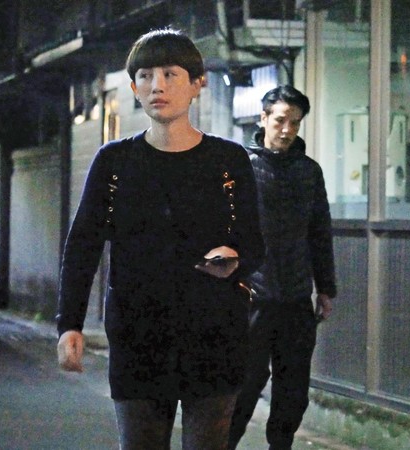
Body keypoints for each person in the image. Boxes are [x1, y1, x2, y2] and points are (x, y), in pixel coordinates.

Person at [56, 28, 264, 450]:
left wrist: (234, 257)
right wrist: (70, 324)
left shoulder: (228, 159)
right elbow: (83, 246)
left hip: (215, 333)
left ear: (197, 83)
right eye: (146, 76)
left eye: (170, 74)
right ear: (134, 87)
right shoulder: (115, 161)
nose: (158, 86)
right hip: (137, 336)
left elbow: (255, 244)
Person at [228, 85, 337, 450]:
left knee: (293, 391)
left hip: (295, 297)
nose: (287, 129)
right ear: (263, 118)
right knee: (243, 385)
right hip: (251, 297)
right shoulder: (241, 166)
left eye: (295, 122)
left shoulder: (309, 171)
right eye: (280, 120)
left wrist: (325, 288)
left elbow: (319, 231)